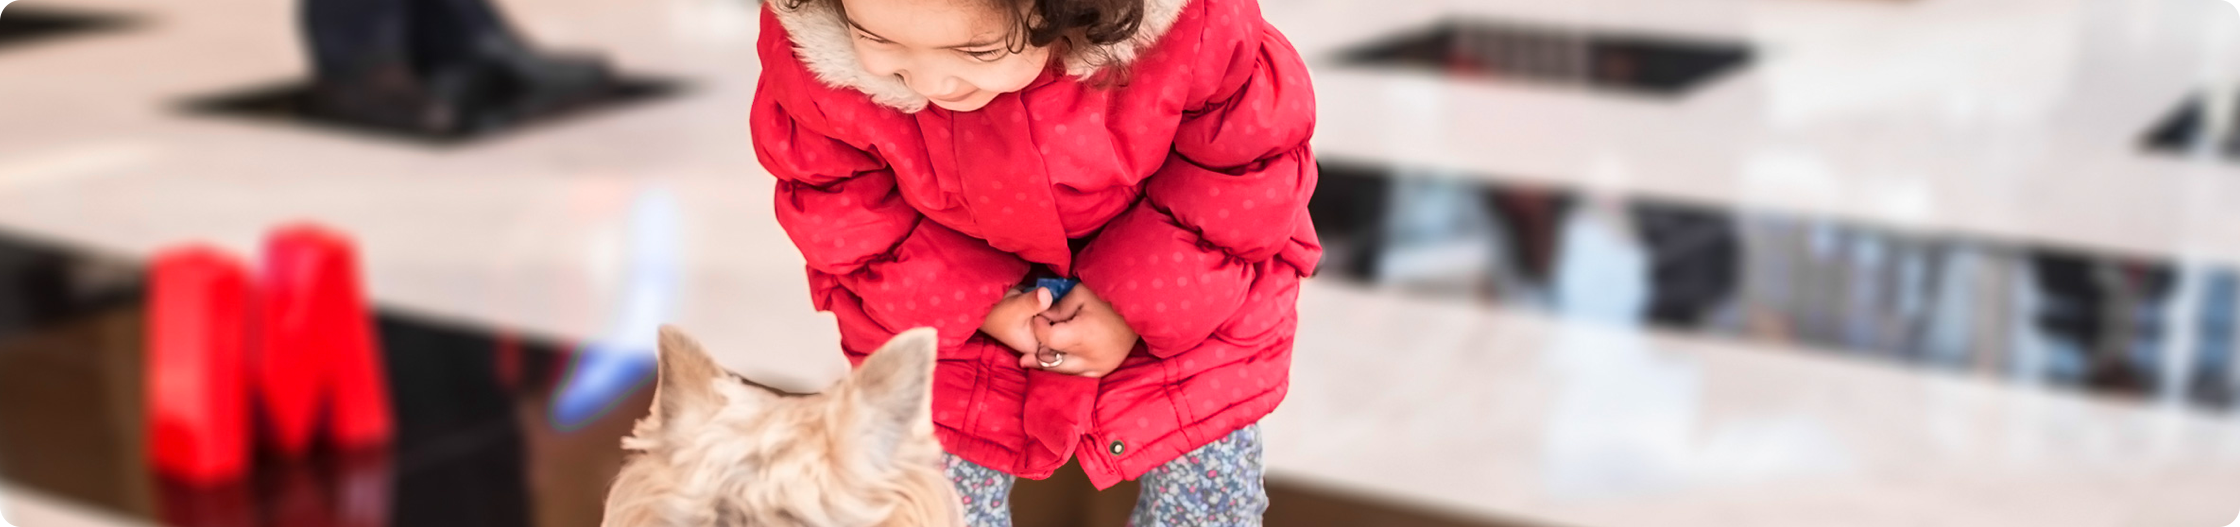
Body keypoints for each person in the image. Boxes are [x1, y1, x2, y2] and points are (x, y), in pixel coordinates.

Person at [750, 0, 1319, 520]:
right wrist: (985, 306)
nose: (929, 81)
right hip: (938, 311)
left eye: (976, 51)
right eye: (876, 38)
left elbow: (1245, 173)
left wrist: (1132, 307)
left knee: (1209, 504)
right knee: (924, 505)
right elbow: (839, 206)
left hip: (1186, 292)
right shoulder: (812, 68)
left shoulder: (1197, 30)